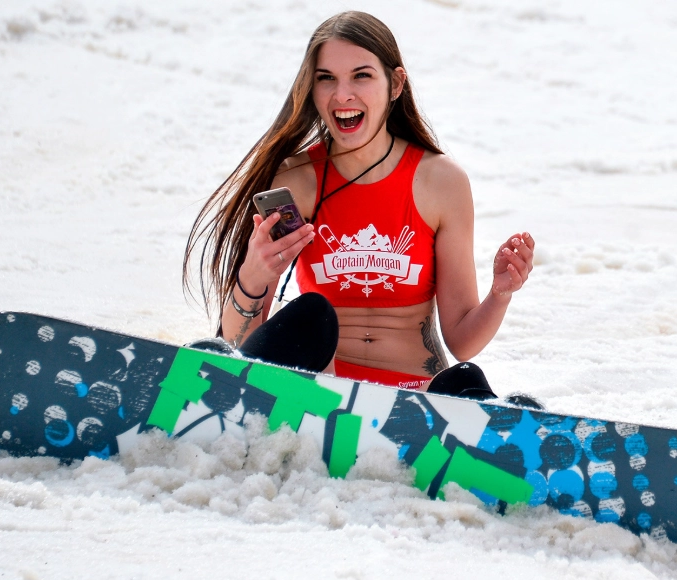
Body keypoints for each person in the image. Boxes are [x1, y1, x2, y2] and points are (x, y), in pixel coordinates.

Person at [184, 11, 534, 401]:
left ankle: (515, 427)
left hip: (414, 405)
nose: (342, 95)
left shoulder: (441, 182)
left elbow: (462, 341)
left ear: (396, 84)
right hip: (325, 395)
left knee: (466, 377)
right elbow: (238, 341)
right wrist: (253, 275)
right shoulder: (297, 181)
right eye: (326, 78)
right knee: (311, 315)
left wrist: (500, 293)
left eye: (361, 75)